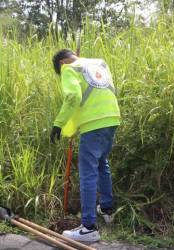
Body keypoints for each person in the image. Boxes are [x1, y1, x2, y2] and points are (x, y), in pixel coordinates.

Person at [50, 49, 121, 242]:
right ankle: (107, 210)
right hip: (112, 117)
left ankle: (89, 227)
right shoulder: (99, 62)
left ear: (62, 63)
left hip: (93, 124)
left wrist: (58, 124)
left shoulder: (68, 68)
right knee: (101, 164)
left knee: (88, 173)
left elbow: (73, 97)